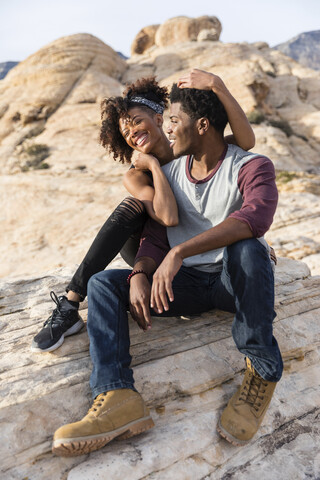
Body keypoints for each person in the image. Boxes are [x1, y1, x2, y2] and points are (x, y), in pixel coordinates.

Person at [51, 71, 282, 456]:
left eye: (173, 120)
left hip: (232, 282)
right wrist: (142, 272)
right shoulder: (168, 174)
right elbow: (158, 234)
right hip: (186, 286)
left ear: (202, 125)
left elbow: (254, 219)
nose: (168, 129)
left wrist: (179, 253)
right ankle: (117, 395)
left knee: (250, 248)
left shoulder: (251, 165)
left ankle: (261, 370)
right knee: (104, 285)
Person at [31, 70, 255, 353]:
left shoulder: (189, 149)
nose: (133, 132)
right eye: (126, 132)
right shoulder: (135, 175)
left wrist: (218, 86)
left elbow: (246, 142)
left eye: (137, 121)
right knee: (132, 206)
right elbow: (168, 218)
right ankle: (71, 303)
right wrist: (151, 166)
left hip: (193, 247)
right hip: (150, 248)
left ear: (159, 119)